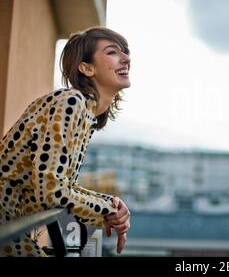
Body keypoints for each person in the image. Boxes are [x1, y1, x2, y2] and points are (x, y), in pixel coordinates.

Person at [0, 27, 132, 256]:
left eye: (126, 52)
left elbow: (61, 186)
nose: (126, 59)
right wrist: (107, 211)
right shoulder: (70, 102)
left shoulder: (86, 114)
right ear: (86, 68)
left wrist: (111, 204)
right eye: (113, 52)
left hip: (13, 224)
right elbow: (52, 193)